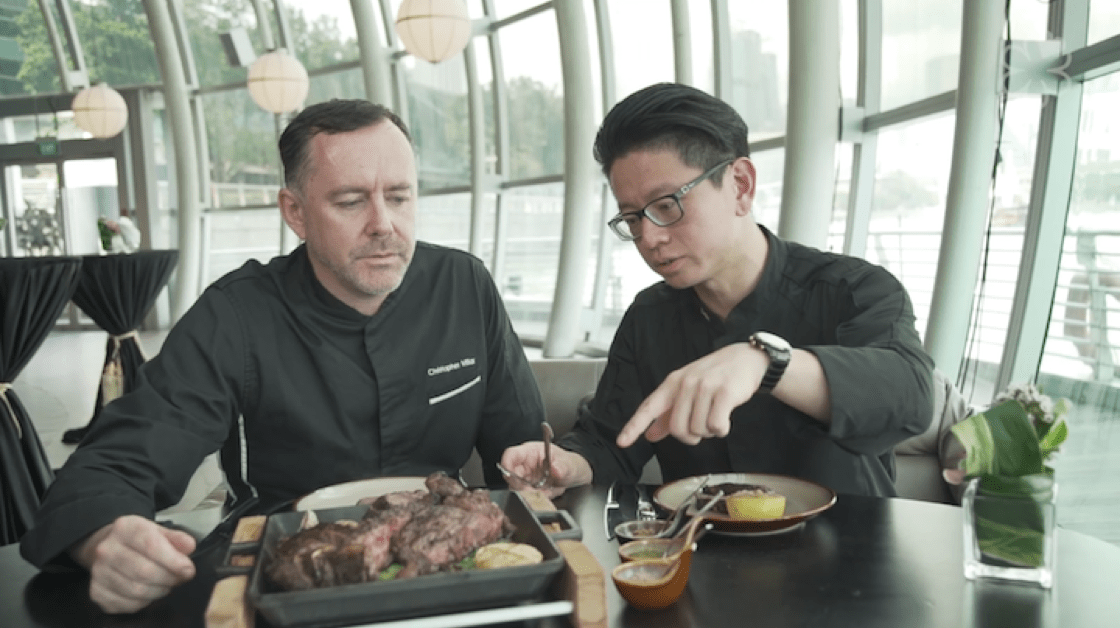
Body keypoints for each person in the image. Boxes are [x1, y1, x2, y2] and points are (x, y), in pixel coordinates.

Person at [21, 99, 545, 613]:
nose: (384, 223)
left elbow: (521, 452)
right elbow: (117, 461)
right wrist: (107, 537)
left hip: (446, 565)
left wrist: (542, 469)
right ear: (294, 212)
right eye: (350, 202)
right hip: (279, 573)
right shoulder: (237, 315)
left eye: (401, 197)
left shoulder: (464, 286)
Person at [502, 83, 934, 498]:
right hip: (703, 554)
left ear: (740, 185)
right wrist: (566, 464)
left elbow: (910, 395)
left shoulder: (852, 290)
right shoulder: (649, 317)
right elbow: (612, 440)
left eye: (667, 205)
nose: (648, 239)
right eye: (632, 218)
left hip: (852, 557)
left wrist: (767, 363)